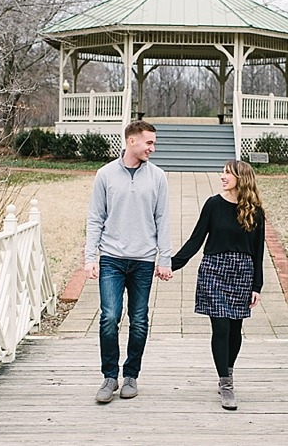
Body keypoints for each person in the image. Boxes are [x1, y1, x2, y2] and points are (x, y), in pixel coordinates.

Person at [85, 120, 172, 403]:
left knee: (139, 320)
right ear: (131, 141)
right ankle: (109, 377)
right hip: (111, 259)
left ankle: (131, 375)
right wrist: (90, 257)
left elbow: (163, 220)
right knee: (109, 317)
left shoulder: (158, 177)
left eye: (154, 143)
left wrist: (165, 259)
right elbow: (95, 218)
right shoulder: (105, 175)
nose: (153, 148)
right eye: (149, 143)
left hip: (144, 261)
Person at [171, 159, 265, 410]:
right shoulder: (213, 204)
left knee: (235, 330)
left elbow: (258, 250)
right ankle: (226, 384)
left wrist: (257, 285)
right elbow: (196, 239)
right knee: (221, 327)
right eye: (222, 172)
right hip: (214, 270)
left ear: (241, 178)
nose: (222, 176)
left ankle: (228, 370)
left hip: (242, 272)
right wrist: (170, 264)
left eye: (227, 173)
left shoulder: (255, 211)